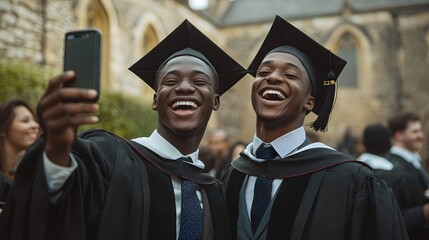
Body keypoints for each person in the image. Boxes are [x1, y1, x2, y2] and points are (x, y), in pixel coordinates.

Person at [0, 19, 247, 240]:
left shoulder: (213, 192)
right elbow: (54, 208)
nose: (184, 87)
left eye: (199, 81)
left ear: (215, 101)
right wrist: (55, 149)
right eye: (170, 81)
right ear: (154, 100)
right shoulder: (109, 157)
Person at [222, 15, 408, 240]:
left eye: (290, 74)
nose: (273, 78)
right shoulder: (233, 174)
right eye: (263, 72)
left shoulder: (349, 178)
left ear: (309, 102)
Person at [358, 123, 429, 240]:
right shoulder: (400, 176)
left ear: (364, 143)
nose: (420, 135)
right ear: (390, 141)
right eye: (415, 131)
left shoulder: (352, 171)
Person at [387, 113, 429, 239]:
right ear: (399, 135)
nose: (421, 136)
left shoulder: (413, 162)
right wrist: (424, 212)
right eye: (415, 132)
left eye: (420, 131)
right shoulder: (393, 168)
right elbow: (393, 216)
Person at [0, 99, 40, 209]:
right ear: (3, 128)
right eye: (25, 120)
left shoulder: (36, 171)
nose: (35, 125)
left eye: (35, 120)